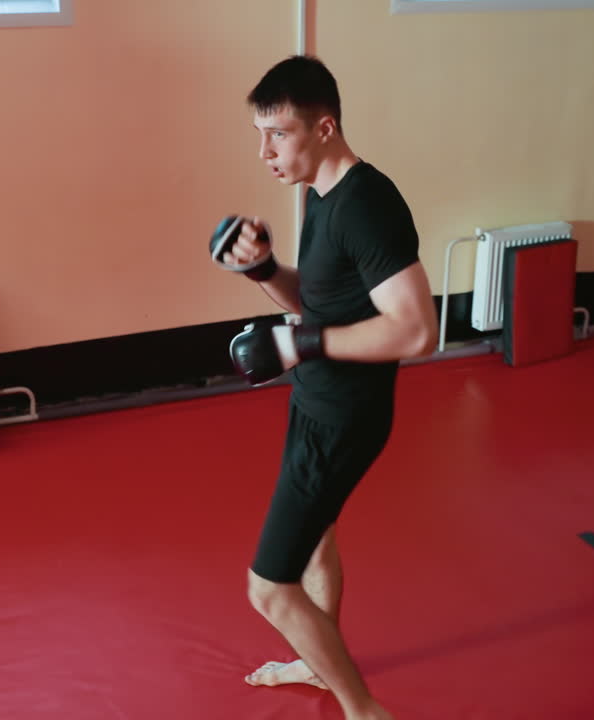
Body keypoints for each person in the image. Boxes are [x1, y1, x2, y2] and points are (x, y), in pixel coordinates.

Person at [217, 55, 438, 720]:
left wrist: (301, 345)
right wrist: (262, 269)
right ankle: (319, 664)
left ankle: (364, 710)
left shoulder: (366, 206)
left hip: (343, 418)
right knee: (317, 540)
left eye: (278, 134)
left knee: (268, 587)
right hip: (316, 403)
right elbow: (318, 305)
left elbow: (417, 331)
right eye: (260, 135)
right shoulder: (322, 192)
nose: (265, 152)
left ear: (324, 127)